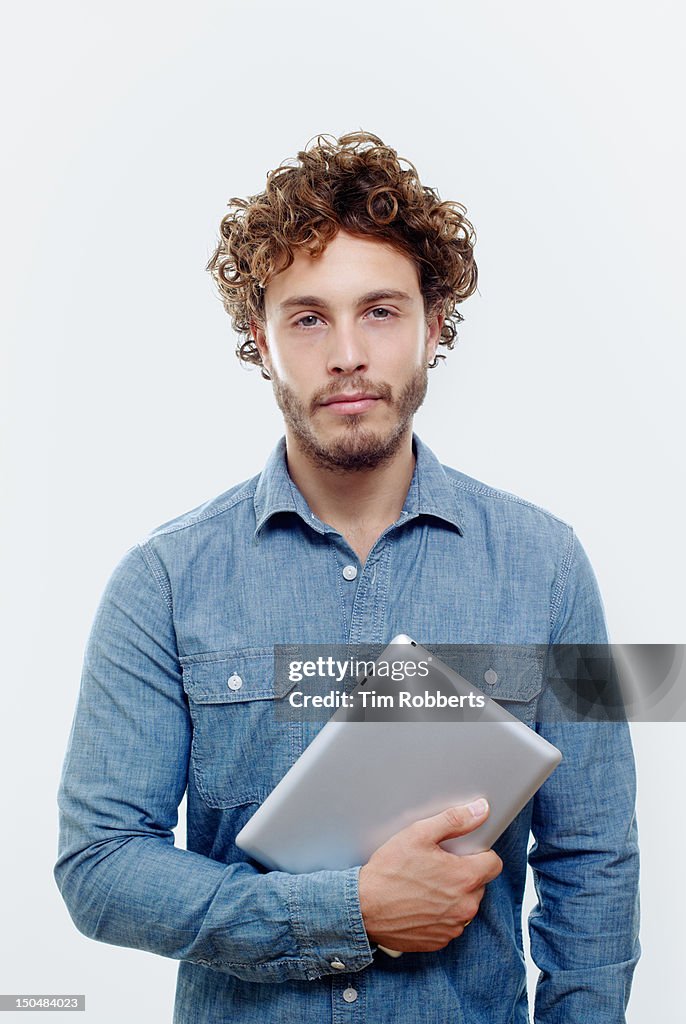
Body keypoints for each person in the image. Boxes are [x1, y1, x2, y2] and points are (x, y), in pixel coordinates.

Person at [55, 131, 640, 1023]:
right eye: (308, 317)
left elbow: (593, 858)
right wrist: (348, 911)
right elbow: (98, 865)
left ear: (431, 326)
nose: (347, 355)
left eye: (380, 311)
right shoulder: (163, 581)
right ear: (261, 339)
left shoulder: (548, 566)